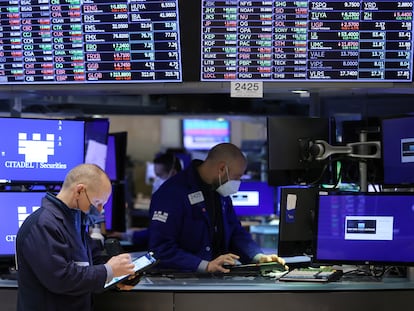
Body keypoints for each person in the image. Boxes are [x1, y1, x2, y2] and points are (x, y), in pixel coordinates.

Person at [148, 143, 286, 273]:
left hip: (217, 279)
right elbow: (161, 248)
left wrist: (258, 257)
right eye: (237, 177)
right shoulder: (172, 193)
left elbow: (234, 232)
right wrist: (204, 266)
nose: (238, 182)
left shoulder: (220, 191)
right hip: (180, 282)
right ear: (221, 169)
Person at [16, 163, 136, 311]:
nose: (100, 210)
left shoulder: (75, 222)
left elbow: (91, 263)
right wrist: (108, 271)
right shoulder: (42, 224)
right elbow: (61, 278)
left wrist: (117, 275)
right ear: (79, 191)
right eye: (97, 203)